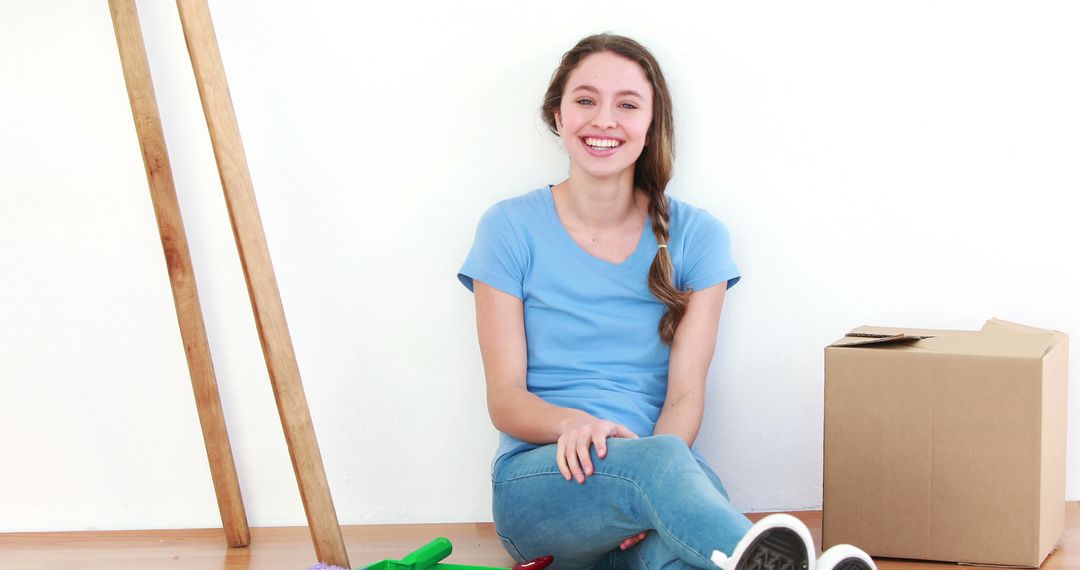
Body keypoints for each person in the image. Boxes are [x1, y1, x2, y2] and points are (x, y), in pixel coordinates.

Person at [458, 33, 875, 570]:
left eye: (627, 105)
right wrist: (571, 425)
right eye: (585, 100)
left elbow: (684, 398)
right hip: (544, 480)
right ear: (557, 116)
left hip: (666, 473)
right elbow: (505, 398)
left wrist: (649, 491)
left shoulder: (699, 237)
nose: (604, 119)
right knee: (666, 479)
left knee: (671, 551)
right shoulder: (509, 228)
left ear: (651, 125)